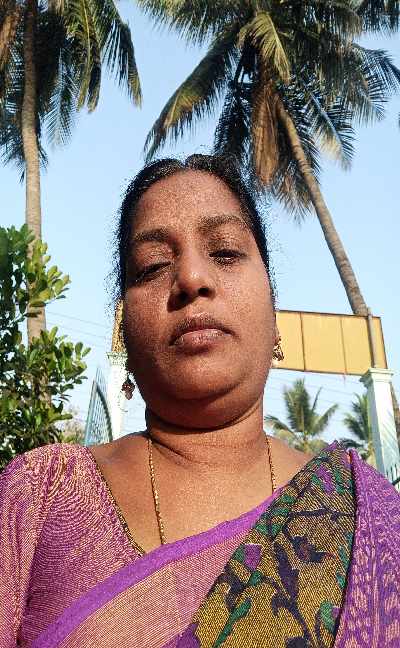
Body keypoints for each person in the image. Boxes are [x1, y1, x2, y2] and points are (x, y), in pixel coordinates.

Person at [0, 155, 399, 648]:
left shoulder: (371, 522)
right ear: (124, 331)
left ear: (274, 314)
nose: (191, 278)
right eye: (152, 266)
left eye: (226, 252)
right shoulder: (41, 496)